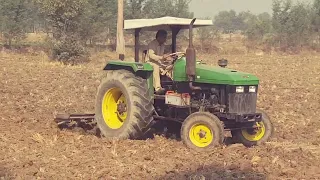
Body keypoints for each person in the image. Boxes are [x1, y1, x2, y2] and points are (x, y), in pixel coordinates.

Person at [145, 30, 174, 94]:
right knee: (156, 67)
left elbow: (162, 57)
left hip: (158, 62)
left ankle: (172, 86)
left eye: (165, 37)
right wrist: (162, 58)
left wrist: (167, 59)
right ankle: (158, 88)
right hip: (150, 62)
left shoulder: (163, 45)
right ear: (159, 37)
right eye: (164, 37)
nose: (165, 39)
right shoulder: (152, 44)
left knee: (171, 66)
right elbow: (151, 56)